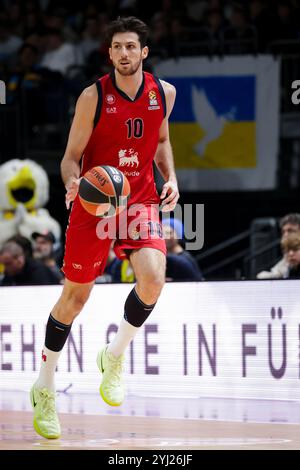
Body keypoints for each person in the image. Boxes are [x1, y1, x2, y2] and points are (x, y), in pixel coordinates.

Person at [30, 16, 179, 440]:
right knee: (74, 300)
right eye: (117, 47)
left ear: (143, 52)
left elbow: (163, 140)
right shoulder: (92, 96)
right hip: (95, 203)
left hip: (140, 198)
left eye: (132, 46)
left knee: (152, 280)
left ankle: (113, 356)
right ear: (109, 53)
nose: (125, 53)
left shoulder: (163, 93)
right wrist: (72, 182)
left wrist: (172, 178)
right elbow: (70, 155)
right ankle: (44, 384)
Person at [257, 213, 300, 279]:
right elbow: (275, 273)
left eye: (290, 230)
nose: (285, 235)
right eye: (283, 232)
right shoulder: (288, 255)